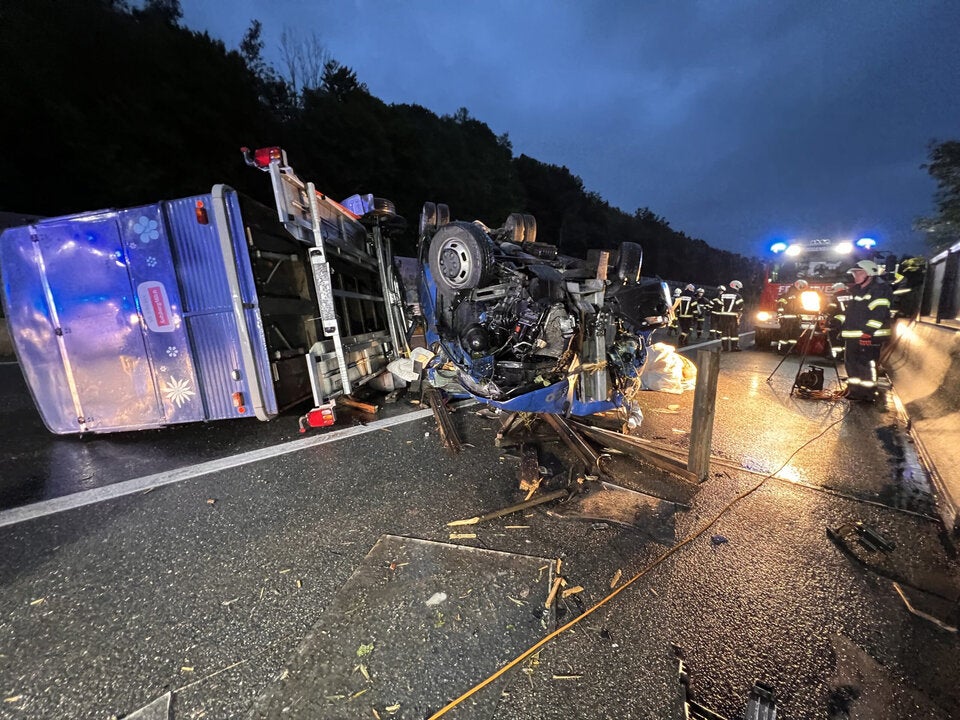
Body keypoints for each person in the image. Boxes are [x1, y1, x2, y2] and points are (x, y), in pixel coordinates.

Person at [840, 260, 893, 403]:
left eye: (859, 272)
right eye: (854, 273)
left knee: (867, 365)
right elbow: (852, 313)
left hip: (869, 336)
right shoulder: (857, 290)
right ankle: (855, 391)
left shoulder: (879, 290)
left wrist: (868, 332)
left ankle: (868, 393)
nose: (855, 275)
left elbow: (879, 315)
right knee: (852, 363)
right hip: (854, 335)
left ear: (869, 274)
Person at [776, 279, 808, 354]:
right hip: (787, 318)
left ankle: (791, 349)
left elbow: (800, 307)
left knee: (793, 335)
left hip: (795, 318)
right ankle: (783, 350)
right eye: (802, 287)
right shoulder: (790, 294)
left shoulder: (798, 294)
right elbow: (781, 304)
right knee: (785, 335)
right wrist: (781, 313)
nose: (803, 289)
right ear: (798, 285)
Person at [824, 282, 851, 359]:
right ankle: (844, 355)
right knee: (845, 338)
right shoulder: (851, 295)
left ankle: (835, 355)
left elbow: (832, 308)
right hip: (850, 320)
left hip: (838, 319)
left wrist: (825, 311)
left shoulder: (836, 296)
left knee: (833, 335)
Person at [718, 280, 745, 351]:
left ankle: (725, 347)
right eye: (738, 287)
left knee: (724, 332)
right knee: (734, 332)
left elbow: (718, 304)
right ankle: (734, 347)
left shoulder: (722, 295)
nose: (739, 289)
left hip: (723, 316)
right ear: (735, 287)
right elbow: (741, 307)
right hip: (732, 316)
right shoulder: (738, 296)